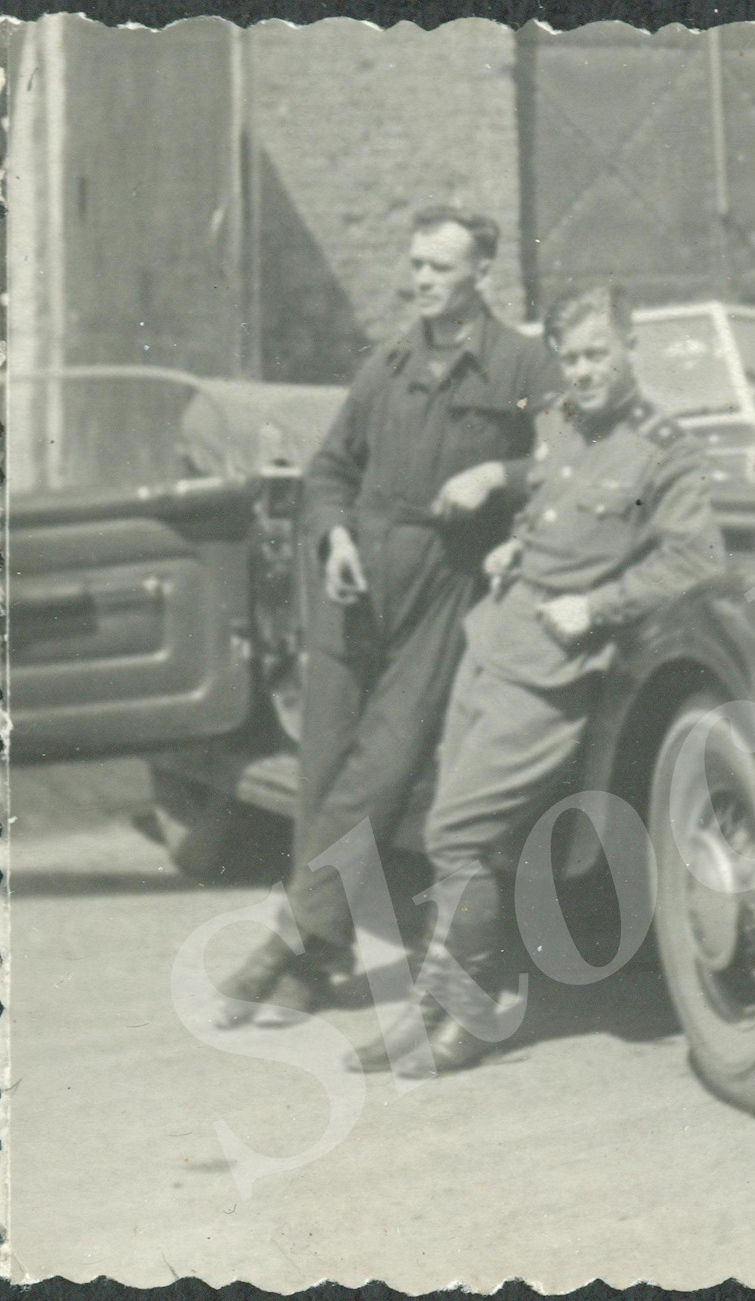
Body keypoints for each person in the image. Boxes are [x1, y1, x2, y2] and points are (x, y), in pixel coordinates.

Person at [350, 282, 725, 1076]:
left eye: (598, 354)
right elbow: (554, 498)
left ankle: (470, 1011)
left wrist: (597, 605)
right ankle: (429, 1004)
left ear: (631, 350)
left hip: (554, 669)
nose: (583, 370)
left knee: (459, 832)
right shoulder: (558, 421)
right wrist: (517, 541)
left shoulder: (665, 450)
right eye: (571, 355)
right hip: (495, 640)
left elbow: (695, 560)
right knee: (448, 828)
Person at [219, 207, 562, 1026]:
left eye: (440, 266)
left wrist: (498, 478)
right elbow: (330, 468)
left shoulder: (521, 360)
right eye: (416, 264)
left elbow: (567, 456)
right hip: (355, 580)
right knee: (325, 770)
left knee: (384, 768)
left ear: (482, 272)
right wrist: (333, 537)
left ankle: (289, 943)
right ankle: (314, 959)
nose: (422, 279)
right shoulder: (388, 362)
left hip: (442, 581)